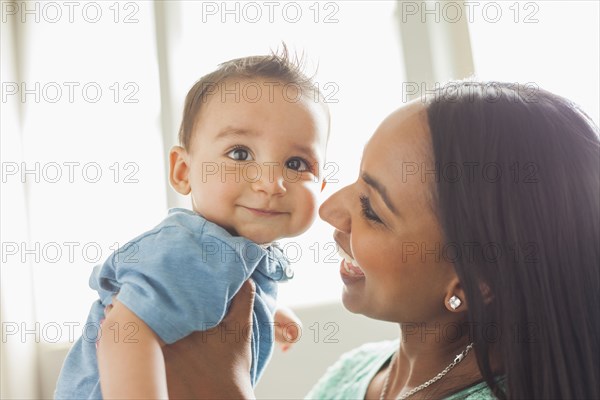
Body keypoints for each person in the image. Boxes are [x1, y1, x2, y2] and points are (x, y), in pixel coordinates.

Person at [159, 81, 600, 399]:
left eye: (372, 209)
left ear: (470, 284)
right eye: (356, 181)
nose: (330, 210)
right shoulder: (358, 372)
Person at [54, 49, 329, 399]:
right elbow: (123, 330)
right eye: (240, 154)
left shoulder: (226, 254)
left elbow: (205, 297)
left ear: (321, 186)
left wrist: (268, 310)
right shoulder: (189, 248)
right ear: (184, 171)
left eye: (295, 163)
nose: (270, 183)